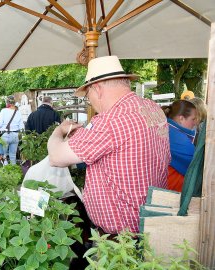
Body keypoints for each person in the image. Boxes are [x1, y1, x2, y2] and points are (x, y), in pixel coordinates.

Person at [47, 56, 170, 234]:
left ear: (97, 89)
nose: (90, 101)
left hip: (122, 238)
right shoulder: (152, 108)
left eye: (88, 96)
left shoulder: (109, 121)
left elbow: (55, 157)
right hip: (151, 221)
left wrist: (58, 131)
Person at [163, 100, 197, 192]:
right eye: (193, 119)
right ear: (181, 118)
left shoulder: (167, 128)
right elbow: (196, 164)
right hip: (172, 192)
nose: (195, 123)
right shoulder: (177, 137)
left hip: (168, 188)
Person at [0, 96, 24, 165]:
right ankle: (13, 170)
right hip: (15, 135)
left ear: (7, 103)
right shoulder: (18, 112)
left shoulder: (3, 111)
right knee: (13, 155)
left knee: (4, 155)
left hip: (5, 135)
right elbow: (21, 126)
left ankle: (6, 170)